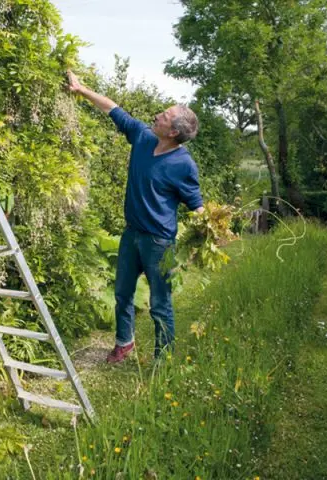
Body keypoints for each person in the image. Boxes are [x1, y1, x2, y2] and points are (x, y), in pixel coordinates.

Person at [67, 70, 204, 363]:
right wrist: (81, 89)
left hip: (160, 243)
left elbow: (196, 203)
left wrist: (212, 229)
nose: (157, 115)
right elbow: (113, 108)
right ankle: (124, 343)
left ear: (173, 132)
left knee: (160, 303)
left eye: (164, 116)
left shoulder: (183, 164)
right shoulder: (142, 137)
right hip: (131, 235)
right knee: (122, 294)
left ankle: (162, 359)